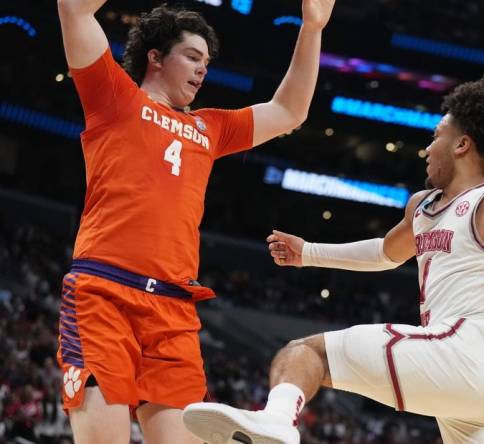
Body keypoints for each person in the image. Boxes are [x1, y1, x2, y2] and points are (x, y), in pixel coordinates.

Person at [183, 78, 484, 444]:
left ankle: (276, 425)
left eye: (436, 135)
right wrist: (309, 253)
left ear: (461, 144)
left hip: (465, 350)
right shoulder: (423, 206)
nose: (427, 147)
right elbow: (383, 253)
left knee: (305, 353)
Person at [54, 0, 335, 443]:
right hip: (103, 295)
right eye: (192, 56)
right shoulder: (113, 96)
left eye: (207, 62)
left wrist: (313, 28)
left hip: (173, 313)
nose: (203, 70)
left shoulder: (211, 128)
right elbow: (73, 10)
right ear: (155, 58)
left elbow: (289, 112)